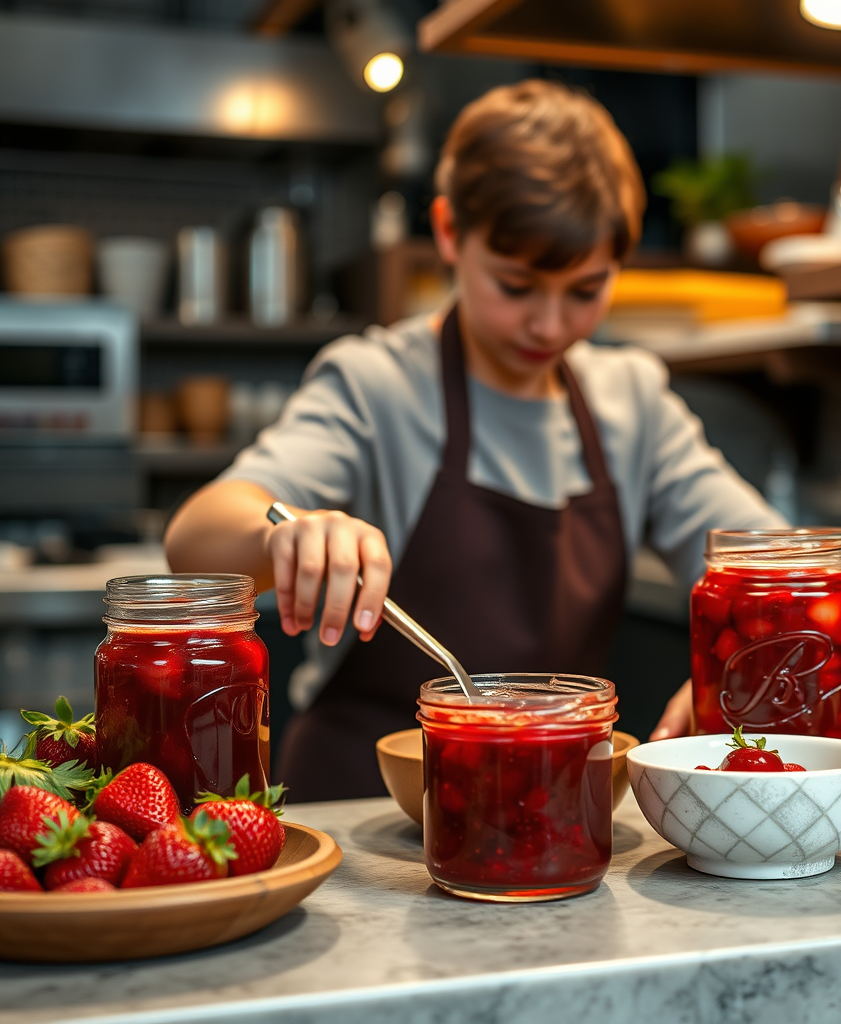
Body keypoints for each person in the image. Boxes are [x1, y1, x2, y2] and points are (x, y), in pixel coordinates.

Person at [165, 80, 786, 801]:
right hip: (361, 811)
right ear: (450, 232)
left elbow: (771, 569)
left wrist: (728, 668)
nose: (549, 326)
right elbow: (195, 537)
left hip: (544, 808)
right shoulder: (377, 383)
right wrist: (289, 533)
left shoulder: (632, 400)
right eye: (516, 286)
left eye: (585, 290)